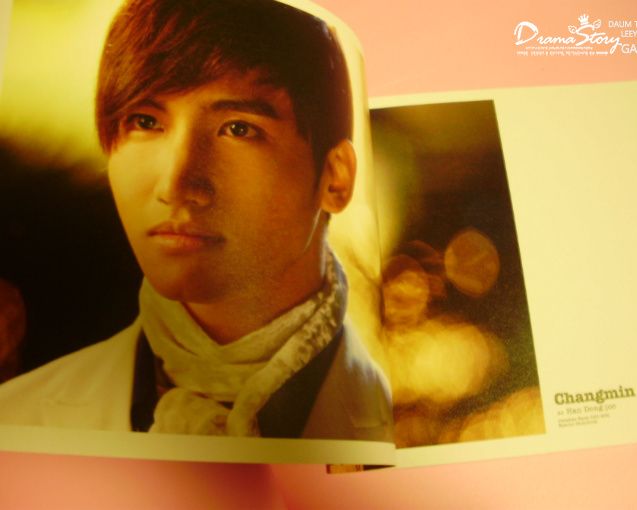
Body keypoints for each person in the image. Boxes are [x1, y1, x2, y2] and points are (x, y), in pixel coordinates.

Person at [0, 0, 392, 441]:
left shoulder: (401, 424)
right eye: (145, 122)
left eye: (239, 129)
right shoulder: (16, 418)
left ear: (335, 177)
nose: (176, 183)